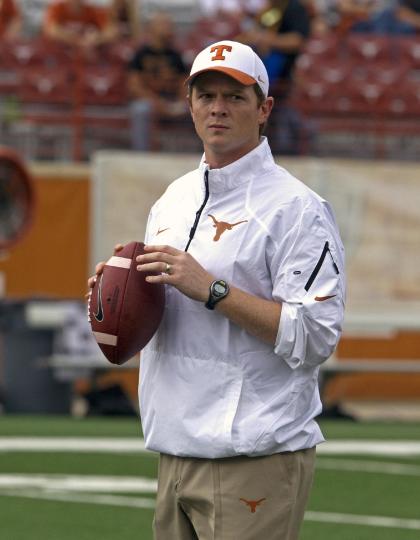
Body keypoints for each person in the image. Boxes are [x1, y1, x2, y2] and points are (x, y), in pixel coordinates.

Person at [88, 40, 345, 539]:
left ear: (264, 109)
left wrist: (213, 289)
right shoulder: (173, 199)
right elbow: (164, 308)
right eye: (206, 96)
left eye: (235, 96)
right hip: (175, 446)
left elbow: (316, 335)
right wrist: (114, 299)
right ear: (189, 105)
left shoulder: (299, 208)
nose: (218, 108)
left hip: (255, 451)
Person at [127, 12, 188, 151]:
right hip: (150, 101)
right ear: (151, 28)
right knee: (140, 110)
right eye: (163, 24)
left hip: (172, 101)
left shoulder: (176, 55)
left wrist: (180, 103)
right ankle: (141, 156)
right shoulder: (141, 54)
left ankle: (202, 160)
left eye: (169, 24)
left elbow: (184, 84)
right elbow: (134, 87)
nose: (169, 27)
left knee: (198, 109)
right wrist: (157, 103)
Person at [238, 0, 311, 88]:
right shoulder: (271, 8)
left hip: (283, 63)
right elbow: (259, 29)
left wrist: (270, 41)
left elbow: (298, 40)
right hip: (261, 56)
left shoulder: (295, 7)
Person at [43, 0, 118, 51]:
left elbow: (112, 32)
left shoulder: (94, 11)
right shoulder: (56, 9)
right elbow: (51, 30)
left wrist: (97, 38)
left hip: (87, 56)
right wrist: (78, 41)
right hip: (60, 55)